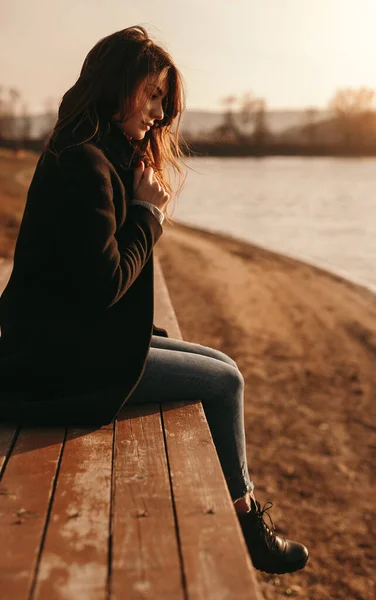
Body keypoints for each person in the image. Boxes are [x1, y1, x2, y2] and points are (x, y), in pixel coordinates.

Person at [0, 26, 309, 575]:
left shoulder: (98, 155)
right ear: (116, 87)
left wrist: (143, 206)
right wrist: (148, 217)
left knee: (219, 362)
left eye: (164, 98)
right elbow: (104, 283)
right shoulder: (85, 167)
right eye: (152, 94)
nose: (161, 112)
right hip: (60, 364)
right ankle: (247, 525)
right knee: (226, 381)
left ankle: (246, 514)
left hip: (70, 342)